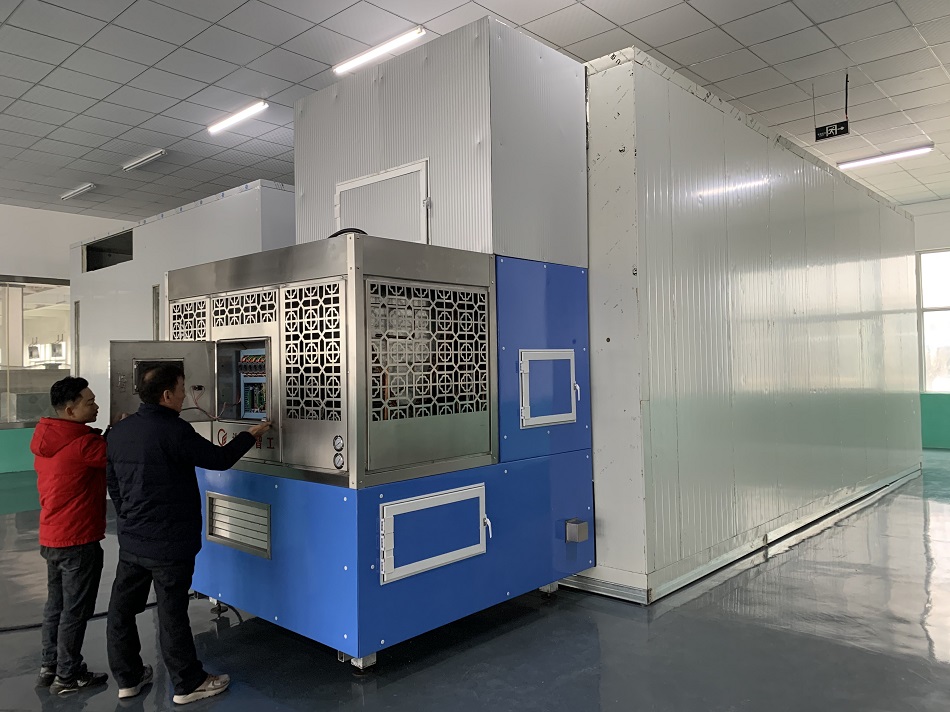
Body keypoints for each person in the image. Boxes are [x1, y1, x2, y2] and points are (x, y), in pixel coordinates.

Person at [105, 363, 270, 705]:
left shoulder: (119, 431)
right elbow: (219, 459)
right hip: (169, 543)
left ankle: (128, 678)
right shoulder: (174, 430)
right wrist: (249, 435)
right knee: (172, 614)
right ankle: (187, 682)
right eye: (182, 389)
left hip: (133, 540)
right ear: (167, 395)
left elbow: (114, 485)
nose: (185, 395)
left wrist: (129, 519)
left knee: (121, 611)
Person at [31, 377, 111, 695]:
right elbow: (117, 456)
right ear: (70, 410)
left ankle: (50, 666)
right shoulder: (83, 445)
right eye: (90, 402)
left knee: (56, 606)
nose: (97, 406)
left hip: (52, 536)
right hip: (78, 539)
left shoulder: (48, 437)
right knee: (75, 610)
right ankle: (68, 675)